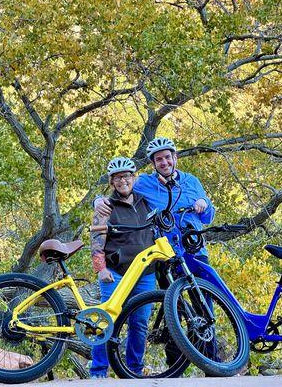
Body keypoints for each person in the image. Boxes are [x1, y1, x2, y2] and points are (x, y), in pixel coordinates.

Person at [94, 137, 216, 276]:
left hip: (194, 248)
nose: (164, 162)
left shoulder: (192, 181)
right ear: (153, 163)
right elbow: (122, 187)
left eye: (167, 157)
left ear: (175, 157)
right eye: (159, 159)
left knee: (206, 295)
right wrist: (98, 201)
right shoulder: (144, 182)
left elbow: (208, 218)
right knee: (171, 296)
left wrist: (204, 203)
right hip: (165, 254)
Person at [89, 156, 156, 378]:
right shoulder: (105, 207)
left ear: (134, 178)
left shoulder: (146, 201)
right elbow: (97, 240)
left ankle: (133, 371)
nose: (122, 181)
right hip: (116, 273)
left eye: (126, 176)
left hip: (145, 273)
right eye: (117, 178)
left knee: (140, 324)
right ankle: (98, 372)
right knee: (106, 321)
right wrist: (101, 269)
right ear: (112, 182)